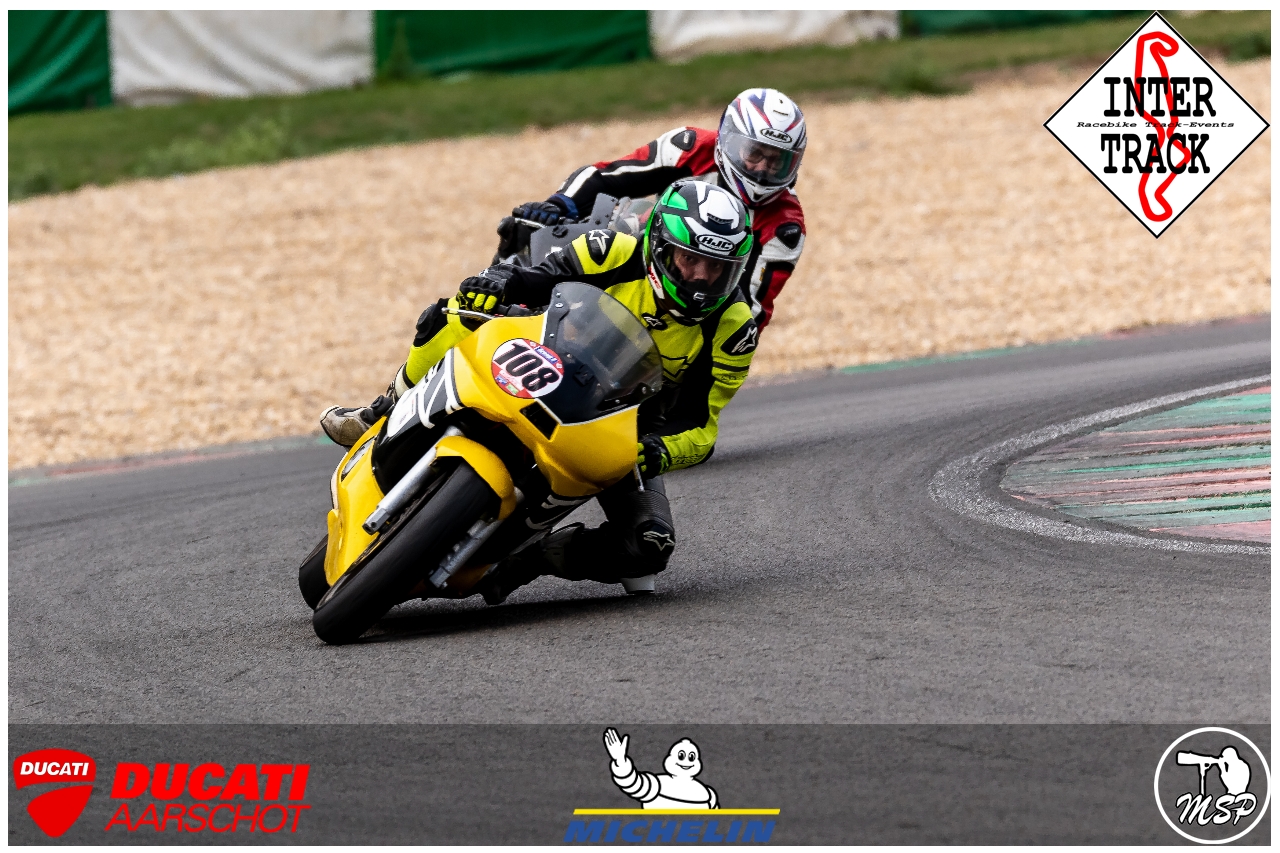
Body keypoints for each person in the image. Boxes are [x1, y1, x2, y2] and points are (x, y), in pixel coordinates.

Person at [321, 180, 758, 603]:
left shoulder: (734, 327)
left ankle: (527, 559)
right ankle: (383, 410)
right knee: (449, 315)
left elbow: (702, 425)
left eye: (716, 268)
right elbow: (533, 280)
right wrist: (497, 284)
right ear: (659, 247)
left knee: (649, 545)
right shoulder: (611, 251)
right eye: (689, 259)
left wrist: (659, 450)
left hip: (619, 433)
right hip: (543, 363)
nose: (701, 277)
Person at [500, 87, 807, 330]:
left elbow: (749, 312)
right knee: (526, 227)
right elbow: (607, 177)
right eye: (754, 153)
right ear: (729, 140)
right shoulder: (690, 147)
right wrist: (557, 205)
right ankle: (499, 298)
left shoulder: (786, 228)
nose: (762, 169)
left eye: (777, 161)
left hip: (692, 305)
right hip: (646, 252)